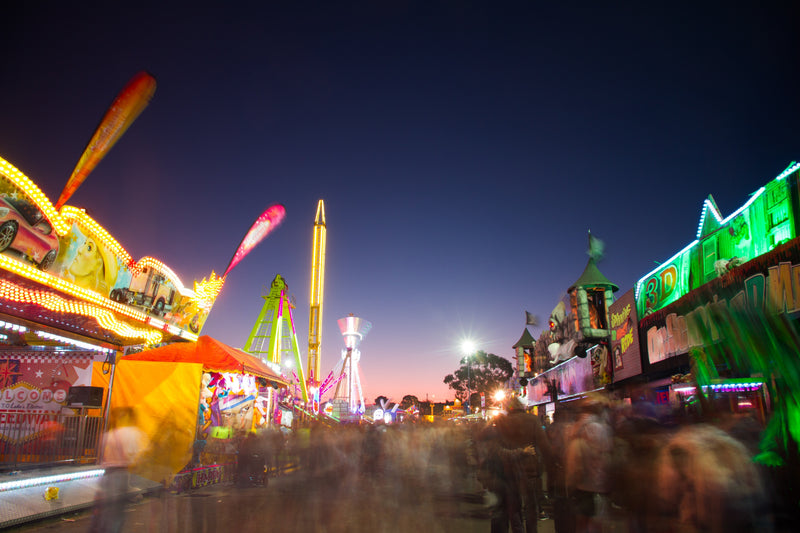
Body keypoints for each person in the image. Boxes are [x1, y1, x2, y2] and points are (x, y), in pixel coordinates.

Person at [89, 407, 148, 533]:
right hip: (121, 474)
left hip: (106, 474)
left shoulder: (109, 434)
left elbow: (100, 452)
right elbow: (141, 455)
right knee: (116, 513)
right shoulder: (135, 433)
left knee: (103, 511)